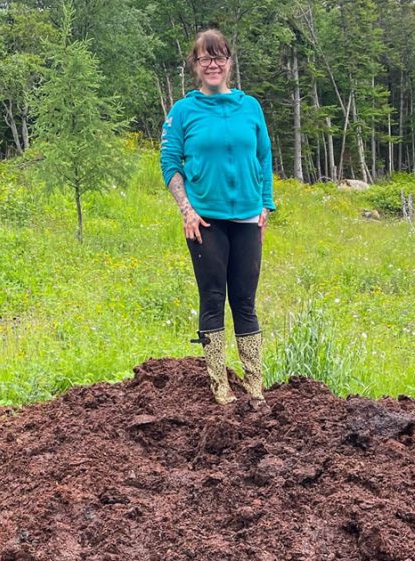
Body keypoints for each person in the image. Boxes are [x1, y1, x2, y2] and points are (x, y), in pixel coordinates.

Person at [159, 28, 275, 405]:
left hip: (245, 219)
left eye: (219, 56)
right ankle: (220, 388)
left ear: (229, 62)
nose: (213, 64)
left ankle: (254, 386)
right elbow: (169, 162)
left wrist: (265, 204)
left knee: (245, 301)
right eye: (205, 58)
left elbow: (263, 157)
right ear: (195, 64)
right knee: (212, 297)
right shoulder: (183, 111)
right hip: (204, 220)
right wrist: (186, 209)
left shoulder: (250, 107)